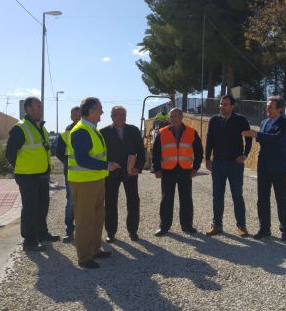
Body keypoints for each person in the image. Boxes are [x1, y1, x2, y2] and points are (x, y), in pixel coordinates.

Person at [67, 97, 121, 269]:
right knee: (85, 220)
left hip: (96, 180)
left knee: (98, 217)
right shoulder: (81, 131)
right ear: (91, 112)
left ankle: (95, 249)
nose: (102, 113)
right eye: (100, 109)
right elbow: (82, 159)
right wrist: (106, 165)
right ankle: (84, 257)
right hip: (83, 183)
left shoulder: (92, 130)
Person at [5, 96, 59, 252]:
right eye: (38, 106)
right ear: (28, 109)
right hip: (27, 176)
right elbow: (10, 153)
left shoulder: (41, 127)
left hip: (42, 174)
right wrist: (21, 168)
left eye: (41, 106)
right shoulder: (20, 128)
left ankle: (42, 234)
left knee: (42, 206)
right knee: (30, 208)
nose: (41, 109)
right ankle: (29, 241)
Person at [242, 96, 286, 241]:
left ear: (279, 109)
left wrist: (256, 134)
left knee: (281, 199)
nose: (267, 109)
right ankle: (264, 229)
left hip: (278, 167)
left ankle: (285, 230)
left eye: (270, 107)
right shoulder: (264, 123)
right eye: (267, 106)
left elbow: (277, 140)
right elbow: (264, 140)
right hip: (263, 166)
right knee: (262, 199)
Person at [205, 94, 252, 237]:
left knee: (237, 195)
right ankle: (217, 225)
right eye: (220, 104)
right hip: (218, 163)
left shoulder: (241, 120)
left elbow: (248, 137)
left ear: (232, 106)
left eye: (225, 104)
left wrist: (245, 154)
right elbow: (209, 140)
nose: (222, 106)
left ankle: (242, 226)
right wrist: (207, 159)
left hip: (235, 165)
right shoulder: (214, 120)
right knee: (217, 196)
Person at [152, 108, 203, 236]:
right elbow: (156, 153)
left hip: (185, 171)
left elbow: (199, 152)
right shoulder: (162, 132)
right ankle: (164, 227)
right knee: (166, 199)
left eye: (175, 116)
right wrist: (157, 169)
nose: (173, 118)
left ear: (181, 117)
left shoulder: (192, 132)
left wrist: (195, 168)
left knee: (186, 199)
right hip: (167, 171)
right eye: (171, 116)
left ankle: (187, 226)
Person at [100, 106, 145, 242]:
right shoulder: (103, 132)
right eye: (117, 114)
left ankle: (133, 231)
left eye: (123, 114)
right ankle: (111, 232)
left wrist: (138, 167)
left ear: (126, 116)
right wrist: (105, 168)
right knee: (110, 202)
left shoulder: (134, 130)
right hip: (111, 172)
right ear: (111, 116)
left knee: (133, 201)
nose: (120, 117)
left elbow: (141, 151)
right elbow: (101, 154)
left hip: (130, 172)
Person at [55, 106, 81, 242]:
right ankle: (69, 230)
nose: (77, 118)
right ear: (71, 116)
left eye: (79, 116)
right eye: (74, 116)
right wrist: (67, 162)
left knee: (86, 203)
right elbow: (58, 152)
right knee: (71, 202)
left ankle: (85, 231)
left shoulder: (89, 130)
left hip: (88, 175)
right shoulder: (65, 133)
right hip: (71, 174)